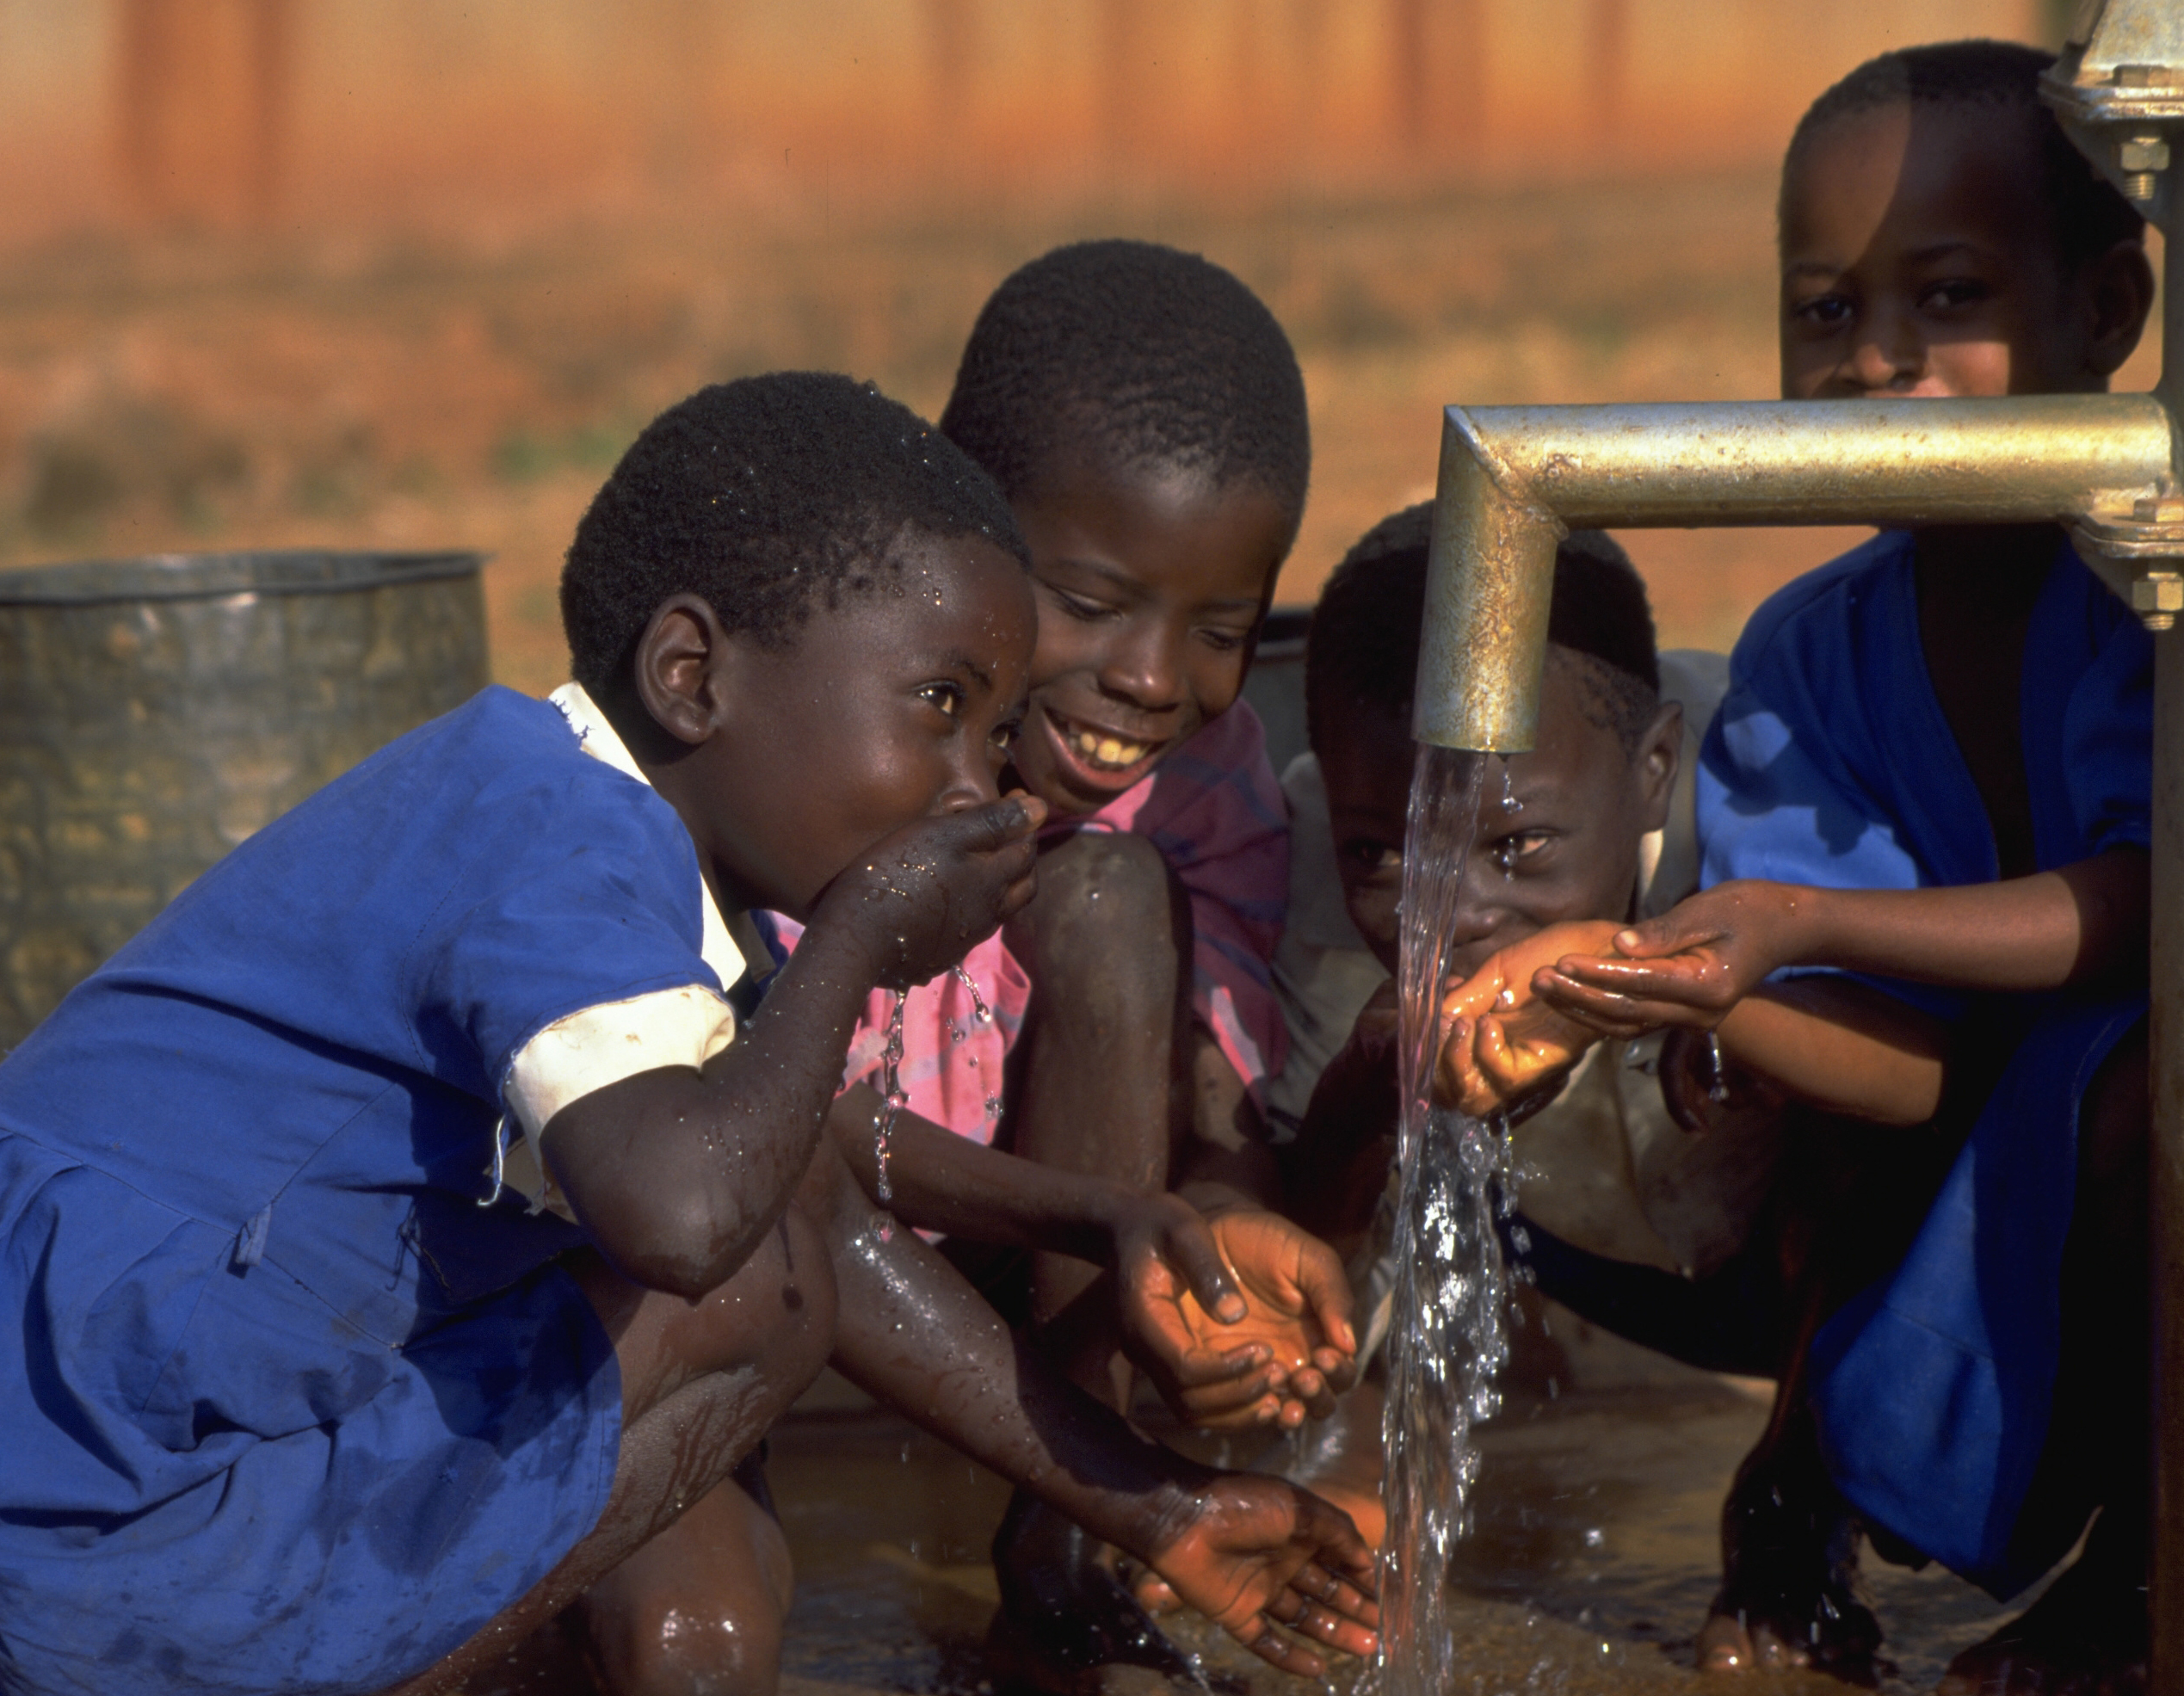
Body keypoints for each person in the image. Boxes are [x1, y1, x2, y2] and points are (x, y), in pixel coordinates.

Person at [0, 373, 1379, 1696]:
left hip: (115, 1462)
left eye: (998, 728)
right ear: (689, 675)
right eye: (941, 708)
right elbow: (691, 1220)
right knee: (745, 1283)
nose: (981, 784)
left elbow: (815, 1170)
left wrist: (1142, 1404)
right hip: (101, 1501)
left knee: (762, 1261)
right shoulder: (562, 847)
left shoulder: (555, 813)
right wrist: (856, 942)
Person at [1447, 38, 2157, 1690]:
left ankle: (2138, 1566)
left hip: (2136, 1121)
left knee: (2138, 1083)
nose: (1876, 362)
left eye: (1949, 296)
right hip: (1927, 1134)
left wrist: (1785, 917)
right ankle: (1795, 1495)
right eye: (1826, 311)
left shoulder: (2149, 603)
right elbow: (1893, 1062)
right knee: (1773, 1093)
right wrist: (1632, 979)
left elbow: (2151, 909)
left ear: (2109, 313)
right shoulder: (1811, 652)